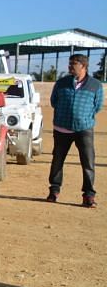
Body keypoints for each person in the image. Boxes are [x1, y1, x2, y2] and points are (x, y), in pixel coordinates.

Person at [46, 54, 103, 207]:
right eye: (70, 64)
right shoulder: (61, 83)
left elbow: (97, 106)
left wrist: (83, 118)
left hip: (84, 129)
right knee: (57, 161)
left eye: (73, 64)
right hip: (61, 129)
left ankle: (88, 195)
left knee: (88, 163)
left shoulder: (95, 85)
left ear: (83, 66)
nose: (70, 67)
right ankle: (54, 191)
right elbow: (53, 101)